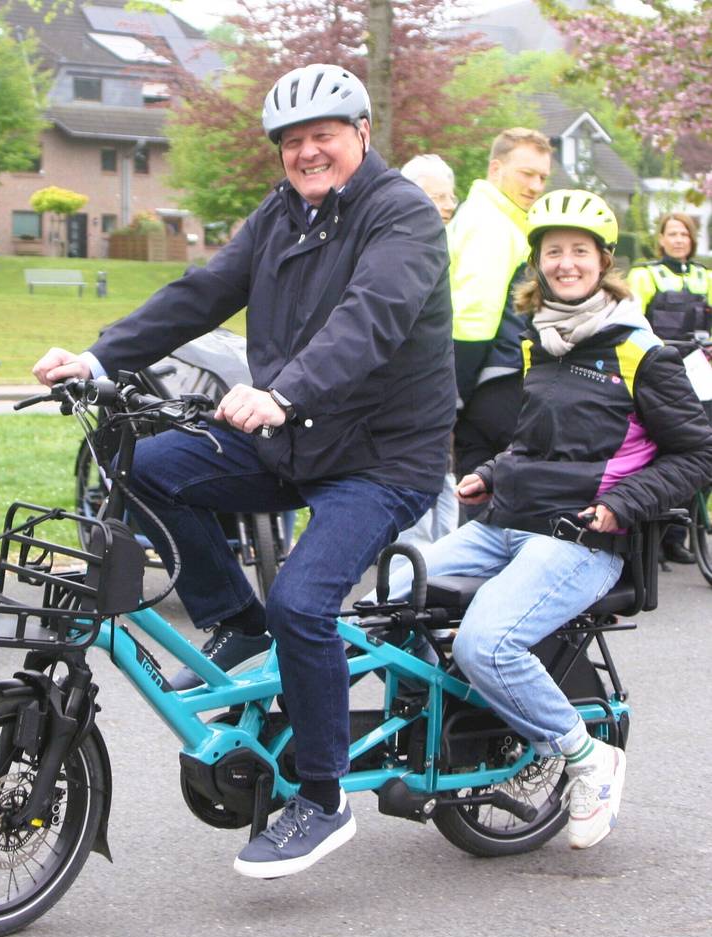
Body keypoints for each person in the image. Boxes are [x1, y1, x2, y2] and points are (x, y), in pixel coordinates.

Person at [33, 63, 456, 878]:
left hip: (380, 459)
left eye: (322, 136)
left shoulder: (401, 215)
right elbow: (202, 292)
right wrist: (96, 356)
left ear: (361, 136)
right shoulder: (282, 216)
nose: (307, 153)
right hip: (292, 443)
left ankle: (323, 799)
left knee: (305, 600)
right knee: (144, 466)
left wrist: (282, 392)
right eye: (293, 141)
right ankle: (235, 619)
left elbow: (369, 320)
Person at [386, 189, 712, 850]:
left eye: (579, 252)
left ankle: (587, 758)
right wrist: (497, 472)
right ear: (538, 262)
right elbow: (542, 442)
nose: (566, 264)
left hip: (579, 540)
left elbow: (698, 451)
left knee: (486, 642)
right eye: (553, 252)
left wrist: (625, 504)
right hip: (503, 524)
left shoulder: (641, 353)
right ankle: (440, 733)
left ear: (603, 261)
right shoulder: (545, 342)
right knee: (387, 604)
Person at [448, 128, 553, 519]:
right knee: (505, 507)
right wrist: (456, 395)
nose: (536, 185)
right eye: (527, 173)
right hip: (496, 381)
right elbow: (475, 314)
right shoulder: (491, 223)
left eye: (542, 177)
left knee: (479, 503)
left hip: (487, 380)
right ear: (496, 168)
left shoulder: (491, 217)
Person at [627, 212, 712, 564]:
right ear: (660, 238)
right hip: (659, 369)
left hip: (698, 369)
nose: (678, 240)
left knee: (700, 447)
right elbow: (634, 321)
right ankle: (652, 532)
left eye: (684, 234)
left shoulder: (704, 277)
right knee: (656, 450)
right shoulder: (644, 275)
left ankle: (679, 534)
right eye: (671, 234)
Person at [398, 153, 459, 546]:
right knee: (415, 473)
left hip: (437, 381)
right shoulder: (401, 247)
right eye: (439, 197)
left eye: (451, 195)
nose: (450, 204)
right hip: (407, 387)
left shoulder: (444, 242)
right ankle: (413, 560)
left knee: (444, 473)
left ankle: (442, 553)